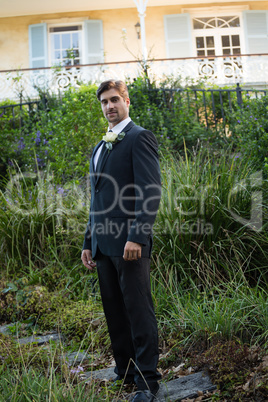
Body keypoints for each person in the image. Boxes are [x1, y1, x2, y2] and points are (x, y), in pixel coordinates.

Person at [81, 79, 162, 401]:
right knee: (115, 312)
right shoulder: (100, 146)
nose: (109, 106)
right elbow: (96, 199)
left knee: (138, 311)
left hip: (129, 243)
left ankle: (148, 382)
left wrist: (137, 237)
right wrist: (89, 241)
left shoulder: (139, 137)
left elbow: (150, 191)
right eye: (104, 102)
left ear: (127, 101)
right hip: (103, 244)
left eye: (115, 99)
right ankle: (126, 372)